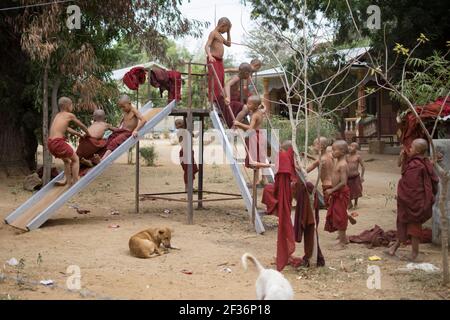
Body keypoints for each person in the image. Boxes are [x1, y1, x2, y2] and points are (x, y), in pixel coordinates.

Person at [386, 138, 439, 261]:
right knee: (402, 222)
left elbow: (412, 186)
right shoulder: (417, 161)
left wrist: (404, 194)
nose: (409, 148)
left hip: (414, 201)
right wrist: (401, 156)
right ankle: (395, 247)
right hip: (408, 200)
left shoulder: (418, 164)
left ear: (418, 150)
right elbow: (402, 170)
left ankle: (414, 253)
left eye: (412, 147)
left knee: (414, 227)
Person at [48, 97, 90, 186]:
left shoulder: (58, 115)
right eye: (72, 105)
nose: (72, 107)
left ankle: (66, 180)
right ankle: (75, 182)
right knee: (76, 159)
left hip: (50, 143)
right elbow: (82, 125)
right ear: (67, 106)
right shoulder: (69, 115)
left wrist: (79, 134)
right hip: (58, 143)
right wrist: (88, 133)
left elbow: (67, 129)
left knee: (67, 161)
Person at [233, 95, 271, 185]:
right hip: (260, 135)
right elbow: (264, 108)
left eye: (249, 104)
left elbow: (250, 128)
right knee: (260, 157)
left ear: (255, 106)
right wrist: (262, 105)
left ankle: (257, 180)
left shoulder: (254, 115)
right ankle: (264, 179)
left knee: (254, 158)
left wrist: (239, 124)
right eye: (247, 103)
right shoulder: (261, 111)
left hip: (254, 136)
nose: (247, 105)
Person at [101, 95, 146, 160]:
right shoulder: (125, 112)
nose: (123, 109)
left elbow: (143, 120)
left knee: (115, 141)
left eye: (123, 107)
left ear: (129, 103)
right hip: (122, 131)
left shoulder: (134, 110)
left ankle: (103, 159)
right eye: (121, 107)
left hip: (127, 133)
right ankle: (100, 156)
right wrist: (112, 127)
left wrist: (135, 130)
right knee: (110, 138)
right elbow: (120, 125)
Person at [324, 140, 351, 249]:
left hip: (341, 193)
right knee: (337, 215)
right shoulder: (337, 162)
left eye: (334, 150)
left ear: (343, 151)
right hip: (337, 193)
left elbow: (343, 182)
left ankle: (343, 243)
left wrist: (331, 190)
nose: (332, 152)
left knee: (340, 217)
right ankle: (342, 239)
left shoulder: (343, 164)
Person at [205, 17, 232, 102]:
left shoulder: (220, 36)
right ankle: (213, 100)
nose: (225, 31)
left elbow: (229, 44)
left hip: (220, 60)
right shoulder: (213, 33)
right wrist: (210, 56)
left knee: (221, 79)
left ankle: (219, 99)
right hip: (213, 59)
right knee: (215, 79)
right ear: (222, 25)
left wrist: (228, 32)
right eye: (226, 29)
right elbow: (206, 46)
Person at [306, 137, 334, 205]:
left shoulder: (320, 160)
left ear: (321, 147)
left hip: (326, 185)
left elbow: (306, 170)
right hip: (334, 183)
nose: (313, 147)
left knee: (329, 205)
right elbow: (322, 161)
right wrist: (310, 157)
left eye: (314, 145)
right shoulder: (330, 155)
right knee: (333, 203)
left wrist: (296, 166)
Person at [175, 119, 199, 192]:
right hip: (185, 152)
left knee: (193, 169)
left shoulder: (184, 131)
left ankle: (189, 187)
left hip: (188, 151)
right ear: (176, 126)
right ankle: (187, 188)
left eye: (181, 122)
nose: (180, 124)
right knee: (188, 170)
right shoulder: (182, 131)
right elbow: (193, 134)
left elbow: (194, 135)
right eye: (178, 123)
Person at [346, 142, 365, 209]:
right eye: (350, 145)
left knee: (356, 190)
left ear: (356, 149)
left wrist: (362, 176)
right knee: (348, 190)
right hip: (348, 177)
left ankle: (356, 203)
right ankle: (349, 203)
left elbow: (363, 166)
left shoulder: (358, 156)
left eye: (353, 146)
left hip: (355, 176)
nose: (350, 147)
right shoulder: (346, 156)